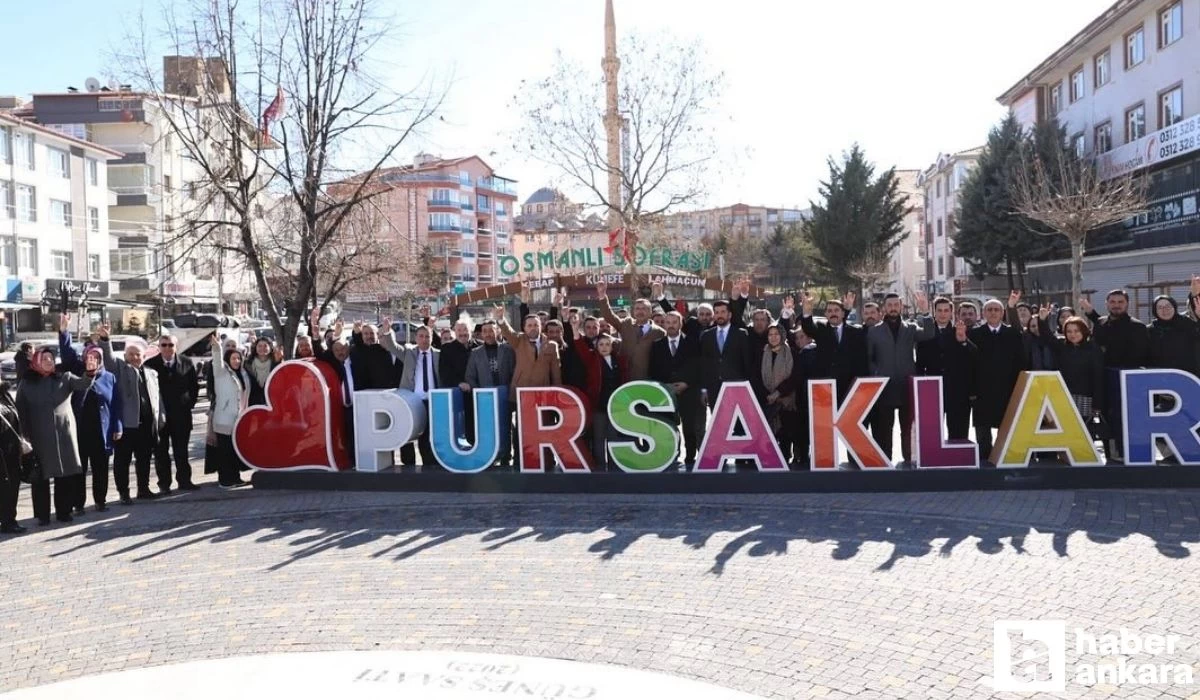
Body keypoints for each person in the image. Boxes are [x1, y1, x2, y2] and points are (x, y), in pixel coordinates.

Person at [16, 346, 94, 524]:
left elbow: (83, 384)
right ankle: (43, 515)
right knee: (40, 478)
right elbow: (21, 411)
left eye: (51, 358)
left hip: (64, 435)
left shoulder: (64, 377)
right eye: (45, 359)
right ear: (36, 361)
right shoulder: (26, 384)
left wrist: (90, 373)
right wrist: (23, 437)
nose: (49, 361)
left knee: (64, 476)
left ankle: (64, 512)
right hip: (39, 437)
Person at [59, 318, 122, 513]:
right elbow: (68, 354)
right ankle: (78, 504)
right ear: (85, 357)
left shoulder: (109, 377)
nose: (92, 359)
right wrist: (64, 332)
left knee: (101, 468)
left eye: (96, 357)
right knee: (80, 469)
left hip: (101, 431)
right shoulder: (78, 372)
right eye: (89, 356)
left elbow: (116, 404)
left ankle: (100, 501)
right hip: (79, 431)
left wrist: (118, 427)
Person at [866, 292, 934, 467]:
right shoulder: (874, 331)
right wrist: (877, 374)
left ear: (901, 306)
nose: (893, 308)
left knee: (907, 429)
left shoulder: (910, 328)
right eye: (889, 305)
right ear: (884, 308)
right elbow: (869, 358)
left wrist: (926, 312)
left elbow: (929, 334)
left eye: (896, 305)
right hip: (884, 388)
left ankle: (908, 460)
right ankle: (885, 461)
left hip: (906, 387)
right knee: (884, 430)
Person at [1081, 290, 1149, 463]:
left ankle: (1127, 452)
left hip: (1127, 382)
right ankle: (1111, 455)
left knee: (1126, 421)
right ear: (1107, 303)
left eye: (1120, 301)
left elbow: (1140, 356)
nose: (1116, 305)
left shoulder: (1137, 326)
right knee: (1105, 418)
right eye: (1112, 301)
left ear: (1127, 303)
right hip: (1103, 381)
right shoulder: (1101, 322)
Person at [100, 324, 164, 503]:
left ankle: (143, 489)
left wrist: (161, 418)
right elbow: (109, 358)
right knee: (122, 462)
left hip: (146, 425)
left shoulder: (151, 373)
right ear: (126, 356)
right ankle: (124, 492)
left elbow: (157, 398)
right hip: (127, 426)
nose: (135, 357)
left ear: (144, 356)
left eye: (138, 355)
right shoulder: (120, 368)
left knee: (144, 459)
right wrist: (106, 340)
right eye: (131, 354)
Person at [495, 306, 561, 467]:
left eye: (536, 325)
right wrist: (501, 319)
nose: (533, 328)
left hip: (543, 395)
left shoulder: (551, 345)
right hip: (521, 394)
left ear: (541, 326)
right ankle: (519, 459)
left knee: (545, 428)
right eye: (529, 325)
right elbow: (507, 331)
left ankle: (547, 459)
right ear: (524, 328)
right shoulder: (518, 340)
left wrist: (558, 394)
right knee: (521, 429)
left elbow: (556, 372)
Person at [967, 295, 1027, 465]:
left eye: (996, 310)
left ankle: (1003, 459)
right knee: (983, 430)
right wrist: (972, 390)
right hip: (982, 391)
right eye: (989, 310)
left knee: (1006, 427)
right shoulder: (974, 333)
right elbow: (969, 364)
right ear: (984, 313)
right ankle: (985, 461)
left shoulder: (1012, 334)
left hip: (1007, 389)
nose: (993, 313)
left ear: (1002, 313)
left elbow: (1020, 361)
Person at [1035, 306, 1105, 441]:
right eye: (1069, 331)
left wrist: (1098, 403)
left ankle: (1086, 459)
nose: (1073, 334)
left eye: (1076, 331)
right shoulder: (1062, 346)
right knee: (1065, 430)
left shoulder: (1093, 349)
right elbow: (1048, 337)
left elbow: (1098, 377)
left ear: (1084, 331)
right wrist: (1042, 320)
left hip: (1086, 397)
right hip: (1064, 395)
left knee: (1084, 432)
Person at [144, 333, 201, 493]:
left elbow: (194, 387)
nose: (167, 348)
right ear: (159, 347)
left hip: (181, 415)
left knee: (181, 451)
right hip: (160, 417)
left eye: (170, 345)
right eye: (164, 345)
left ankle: (185, 481)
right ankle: (164, 484)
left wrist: (188, 403)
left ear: (176, 347)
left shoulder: (187, 363)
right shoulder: (150, 365)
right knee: (161, 453)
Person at [915, 297, 976, 442]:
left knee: (959, 433)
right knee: (931, 435)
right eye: (939, 310)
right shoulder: (926, 333)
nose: (943, 314)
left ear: (951, 313)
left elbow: (974, 356)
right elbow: (919, 362)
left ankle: (959, 462)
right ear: (934, 312)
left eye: (946, 311)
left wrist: (963, 341)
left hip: (957, 391)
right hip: (932, 389)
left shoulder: (961, 330)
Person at [382, 320, 440, 468]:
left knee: (427, 436)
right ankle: (408, 465)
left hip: (433, 401)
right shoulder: (409, 353)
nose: (424, 339)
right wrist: (387, 331)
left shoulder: (438, 355)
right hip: (412, 400)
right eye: (421, 336)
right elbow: (393, 347)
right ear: (416, 338)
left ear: (432, 338)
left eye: (427, 336)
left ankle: (429, 464)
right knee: (408, 433)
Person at [650, 310, 702, 468]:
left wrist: (687, 383)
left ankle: (690, 458)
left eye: (674, 322)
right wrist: (666, 386)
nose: (671, 325)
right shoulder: (657, 345)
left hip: (688, 391)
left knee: (689, 427)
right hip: (665, 392)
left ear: (680, 323)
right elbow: (653, 370)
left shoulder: (693, 343)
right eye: (668, 322)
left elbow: (698, 367)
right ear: (664, 324)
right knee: (668, 426)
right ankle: (671, 456)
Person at [799, 292, 868, 404]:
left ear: (843, 313)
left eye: (836, 310)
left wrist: (860, 382)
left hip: (849, 386)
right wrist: (807, 311)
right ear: (825, 314)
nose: (833, 313)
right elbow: (808, 327)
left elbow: (861, 359)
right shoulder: (821, 330)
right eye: (829, 311)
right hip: (826, 386)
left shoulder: (856, 332)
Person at [465, 321, 516, 468]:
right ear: (481, 334)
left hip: (505, 397)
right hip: (485, 400)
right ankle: (491, 456)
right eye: (485, 331)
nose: (488, 334)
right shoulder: (475, 353)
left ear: (498, 332)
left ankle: (506, 455)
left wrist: (510, 391)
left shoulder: (508, 350)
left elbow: (514, 372)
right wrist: (480, 393)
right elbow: (470, 376)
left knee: (506, 427)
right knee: (487, 430)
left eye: (491, 330)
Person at [575, 326, 627, 470]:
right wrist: (574, 328)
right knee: (599, 437)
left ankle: (614, 464)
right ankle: (600, 465)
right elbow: (580, 347)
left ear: (612, 346)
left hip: (616, 405)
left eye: (607, 344)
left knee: (613, 436)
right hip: (599, 404)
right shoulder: (592, 359)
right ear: (596, 346)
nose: (604, 347)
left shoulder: (619, 360)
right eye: (601, 345)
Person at [596, 281, 664, 381]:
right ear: (633, 311)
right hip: (624, 377)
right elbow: (609, 316)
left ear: (650, 312)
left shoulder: (659, 332)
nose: (640, 311)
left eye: (644, 309)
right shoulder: (626, 324)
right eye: (637, 309)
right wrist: (602, 296)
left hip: (647, 379)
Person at [207, 334, 251, 489]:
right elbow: (217, 361)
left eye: (238, 358)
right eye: (233, 358)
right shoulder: (221, 372)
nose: (236, 361)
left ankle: (236, 477)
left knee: (234, 451)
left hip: (239, 418)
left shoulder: (243, 373)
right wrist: (217, 347)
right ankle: (225, 480)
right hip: (224, 419)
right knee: (224, 452)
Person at [760, 325, 800, 466]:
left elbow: (795, 377)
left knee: (787, 431)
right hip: (768, 399)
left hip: (786, 400)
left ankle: (786, 457)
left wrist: (778, 393)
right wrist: (768, 394)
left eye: (776, 334)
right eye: (770, 334)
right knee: (770, 431)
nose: (773, 337)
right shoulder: (762, 353)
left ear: (782, 336)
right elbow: (756, 377)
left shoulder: (792, 353)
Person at [1147, 294, 1200, 375]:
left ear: (1174, 307)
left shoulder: (1187, 323)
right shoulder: (1150, 330)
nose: (1165, 310)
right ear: (1155, 311)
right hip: (1162, 377)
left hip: (1188, 375)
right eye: (1160, 307)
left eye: (1168, 306)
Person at [0, 383, 25, 534]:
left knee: (13, 484)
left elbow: (17, 416)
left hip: (12, 450)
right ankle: (6, 520)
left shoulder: (5, 395)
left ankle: (10, 519)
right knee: (3, 486)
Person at [350, 322, 401, 390]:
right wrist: (356, 333)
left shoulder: (400, 353)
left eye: (372, 333)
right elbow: (360, 346)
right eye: (365, 334)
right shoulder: (356, 351)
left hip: (391, 394)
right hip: (365, 393)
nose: (369, 336)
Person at [246, 338, 281, 405]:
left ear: (270, 348)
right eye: (259, 346)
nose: (262, 348)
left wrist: (278, 362)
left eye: (265, 346)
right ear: (255, 348)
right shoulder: (247, 364)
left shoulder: (275, 363)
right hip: (252, 403)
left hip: (271, 402)